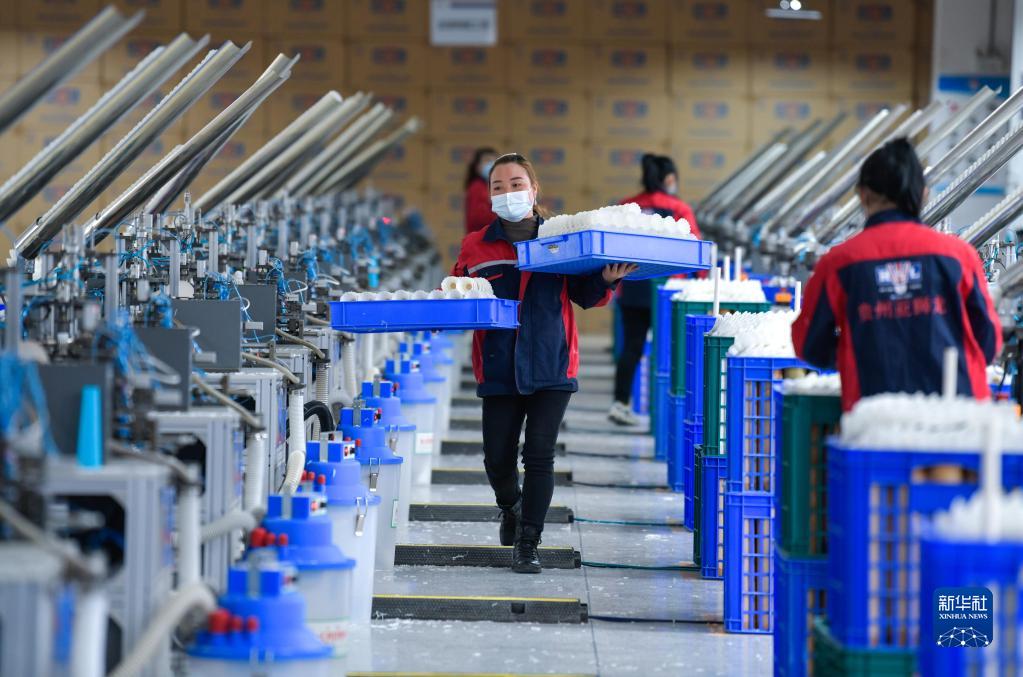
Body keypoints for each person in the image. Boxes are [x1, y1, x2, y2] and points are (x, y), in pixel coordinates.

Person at [452, 153, 637, 573]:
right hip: (499, 364)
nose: (508, 192)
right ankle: (511, 506)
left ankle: (528, 542)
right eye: (498, 186)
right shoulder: (475, 245)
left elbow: (584, 295)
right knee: (497, 459)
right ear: (489, 194)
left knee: (539, 455)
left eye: (516, 184)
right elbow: (458, 293)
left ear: (534, 190)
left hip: (552, 361)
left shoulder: (559, 240)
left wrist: (606, 280)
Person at [791, 138, 1002, 411]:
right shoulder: (958, 256)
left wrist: (853, 356)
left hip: (875, 417)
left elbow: (809, 343)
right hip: (958, 413)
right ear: (924, 194)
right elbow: (989, 340)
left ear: (863, 195)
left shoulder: (839, 263)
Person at [608, 154, 701, 426]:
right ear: (670, 179)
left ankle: (620, 404)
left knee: (632, 347)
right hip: (671, 293)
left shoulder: (627, 206)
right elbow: (695, 250)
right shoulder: (679, 209)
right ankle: (668, 415)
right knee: (673, 351)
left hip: (632, 289)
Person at [464, 147, 499, 234]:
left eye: (494, 161)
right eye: (487, 160)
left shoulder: (492, 186)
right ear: (477, 166)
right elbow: (479, 218)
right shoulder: (477, 187)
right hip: (482, 238)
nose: (492, 164)